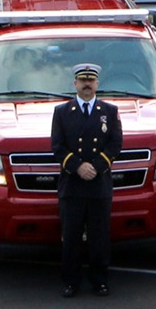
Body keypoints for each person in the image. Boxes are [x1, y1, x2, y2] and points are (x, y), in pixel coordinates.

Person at [51, 61, 121, 297]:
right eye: (83, 80)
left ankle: (100, 281)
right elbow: (57, 147)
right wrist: (78, 167)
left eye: (91, 81)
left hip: (99, 185)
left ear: (97, 84)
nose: (87, 85)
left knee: (99, 238)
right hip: (72, 185)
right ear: (75, 84)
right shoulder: (62, 112)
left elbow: (115, 144)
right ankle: (71, 282)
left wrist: (96, 167)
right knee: (70, 237)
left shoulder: (109, 112)